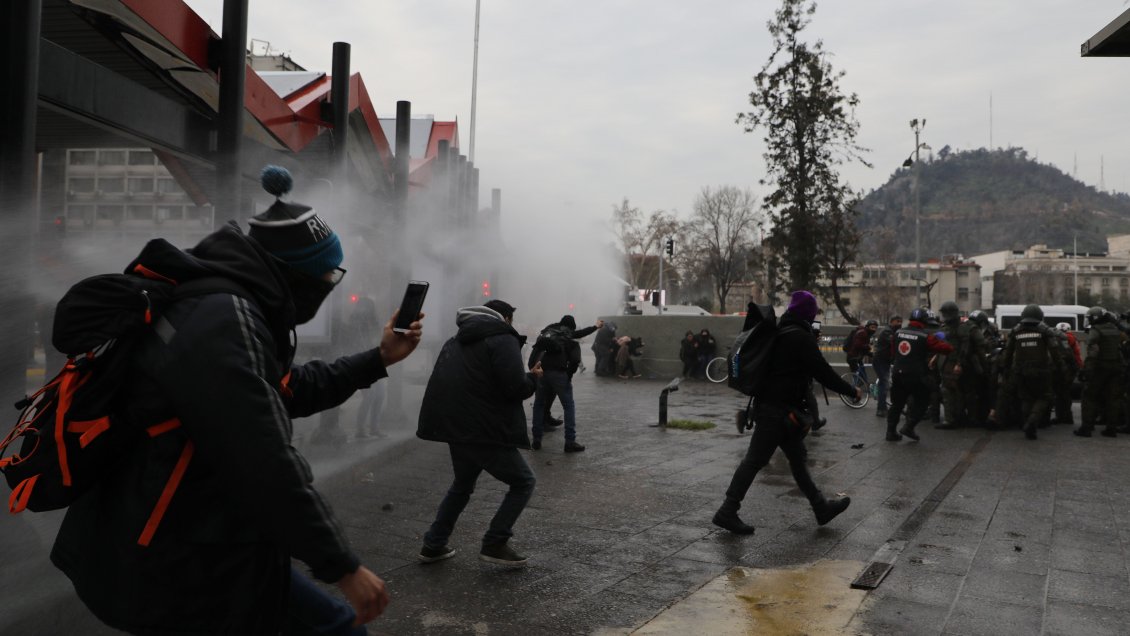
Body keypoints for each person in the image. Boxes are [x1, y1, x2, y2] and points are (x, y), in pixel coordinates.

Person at [50, 166, 421, 635]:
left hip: (200, 535)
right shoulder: (223, 317)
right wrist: (342, 565)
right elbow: (263, 454)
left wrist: (379, 358)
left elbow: (282, 390)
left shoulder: (228, 305)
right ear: (296, 274)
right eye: (328, 273)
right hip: (174, 552)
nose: (331, 283)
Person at [712, 291, 859, 535]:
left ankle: (821, 507)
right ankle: (727, 510)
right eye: (813, 311)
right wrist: (850, 390)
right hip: (776, 412)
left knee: (797, 460)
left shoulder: (783, 331)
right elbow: (823, 372)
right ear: (808, 313)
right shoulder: (799, 337)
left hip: (778, 410)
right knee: (755, 461)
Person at [416, 300, 542, 567]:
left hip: (454, 426)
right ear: (505, 318)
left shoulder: (455, 340)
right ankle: (495, 542)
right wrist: (533, 377)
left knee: (462, 485)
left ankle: (433, 543)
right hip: (484, 428)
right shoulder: (502, 338)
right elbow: (515, 387)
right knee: (523, 482)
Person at [529, 315, 599, 452]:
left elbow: (534, 352)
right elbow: (575, 359)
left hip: (541, 371)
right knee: (568, 406)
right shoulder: (568, 335)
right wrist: (568, 375)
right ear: (571, 326)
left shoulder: (548, 332)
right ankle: (570, 442)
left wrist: (533, 370)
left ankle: (536, 440)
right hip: (559, 373)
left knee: (538, 404)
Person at [886, 307, 954, 442]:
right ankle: (909, 427)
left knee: (897, 404)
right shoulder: (925, 336)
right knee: (923, 401)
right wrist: (943, 340)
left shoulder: (898, 333)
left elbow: (893, 353)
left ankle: (890, 432)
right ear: (925, 321)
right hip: (916, 375)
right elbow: (946, 349)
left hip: (898, 373)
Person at [996, 304, 1063, 440]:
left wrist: (1005, 370)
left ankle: (1027, 424)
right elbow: (1055, 351)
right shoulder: (1045, 330)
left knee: (1026, 398)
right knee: (1044, 396)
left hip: (1020, 370)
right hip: (1041, 370)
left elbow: (1008, 353)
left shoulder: (1016, 331)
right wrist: (1061, 368)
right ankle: (1032, 421)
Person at [937, 300, 987, 430]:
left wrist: (959, 364)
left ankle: (955, 419)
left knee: (957, 391)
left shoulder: (964, 327)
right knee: (957, 391)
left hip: (960, 363)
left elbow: (967, 347)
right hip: (954, 363)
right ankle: (962, 418)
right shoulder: (950, 327)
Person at [1078, 306, 1124, 438]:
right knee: (1112, 398)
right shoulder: (1115, 329)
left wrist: (1086, 370)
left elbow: (1093, 351)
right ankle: (1111, 429)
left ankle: (1086, 428)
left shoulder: (1096, 330)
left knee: (1089, 396)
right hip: (1115, 366)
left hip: (1100, 367)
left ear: (1095, 318)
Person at [349, 296, 387, 438]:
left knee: (380, 394)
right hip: (363, 362)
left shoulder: (372, 322)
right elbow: (357, 344)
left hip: (374, 360)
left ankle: (374, 428)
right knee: (370, 396)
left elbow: (377, 339)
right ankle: (361, 429)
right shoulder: (356, 323)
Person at [1052, 322, 1082, 426]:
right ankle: (1066, 417)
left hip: (1067, 368)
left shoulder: (1064, 339)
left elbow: (1065, 354)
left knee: (1061, 393)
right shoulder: (1072, 337)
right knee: (1064, 393)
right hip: (1073, 367)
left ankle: (1062, 417)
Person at [872, 315, 901, 418]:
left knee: (884, 383)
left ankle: (883, 407)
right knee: (883, 384)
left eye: (901, 322)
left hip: (885, 361)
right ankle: (880, 409)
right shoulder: (887, 332)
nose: (899, 324)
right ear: (892, 321)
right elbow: (895, 343)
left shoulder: (892, 331)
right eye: (897, 321)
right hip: (880, 360)